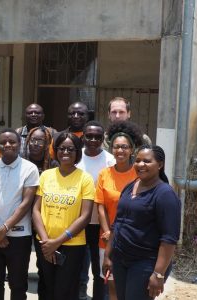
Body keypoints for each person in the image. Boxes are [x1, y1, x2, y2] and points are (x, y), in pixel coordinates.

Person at [102, 145, 180, 300]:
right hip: (121, 259)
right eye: (137, 160)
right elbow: (117, 223)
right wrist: (108, 255)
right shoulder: (131, 186)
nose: (140, 165)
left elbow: (169, 238)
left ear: (160, 164)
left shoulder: (165, 194)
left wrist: (158, 273)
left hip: (145, 263)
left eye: (147, 161)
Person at [32, 133, 95, 300]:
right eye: (61, 148)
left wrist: (57, 241)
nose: (65, 152)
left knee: (65, 291)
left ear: (77, 152)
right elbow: (36, 210)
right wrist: (46, 242)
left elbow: (85, 216)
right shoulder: (46, 175)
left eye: (70, 149)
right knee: (47, 288)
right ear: (55, 150)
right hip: (44, 244)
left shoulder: (85, 179)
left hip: (72, 245)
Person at [0, 129, 40, 300]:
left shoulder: (30, 168)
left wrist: (4, 229)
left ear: (19, 144)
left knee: (18, 284)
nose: (7, 145)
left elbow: (26, 203)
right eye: (3, 142)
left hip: (19, 236)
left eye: (12, 142)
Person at [95, 123, 143, 300]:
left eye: (124, 147)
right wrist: (107, 231)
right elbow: (100, 206)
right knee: (113, 285)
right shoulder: (104, 174)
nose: (120, 151)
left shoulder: (139, 175)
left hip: (132, 238)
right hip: (107, 240)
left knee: (131, 285)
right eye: (116, 147)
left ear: (132, 149)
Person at [76, 121, 115, 300]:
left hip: (101, 225)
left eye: (97, 137)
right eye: (89, 136)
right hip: (78, 224)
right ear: (82, 136)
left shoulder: (110, 160)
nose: (93, 140)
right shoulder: (75, 157)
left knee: (101, 272)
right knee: (79, 271)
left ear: (103, 138)